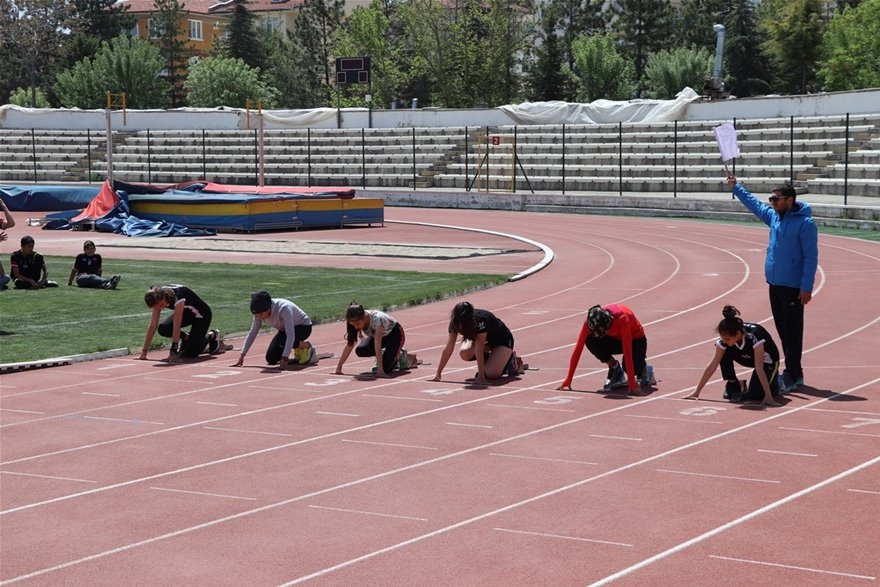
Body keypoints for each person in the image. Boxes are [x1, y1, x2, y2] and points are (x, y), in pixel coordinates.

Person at [727, 174, 818, 393]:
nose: (772, 202)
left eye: (776, 199)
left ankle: (795, 374)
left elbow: (811, 256)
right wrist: (736, 187)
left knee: (793, 332)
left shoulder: (805, 224)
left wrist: (806, 286)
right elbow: (755, 205)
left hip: (793, 287)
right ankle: (790, 371)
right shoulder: (775, 217)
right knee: (782, 330)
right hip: (775, 284)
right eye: (772, 199)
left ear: (790, 199)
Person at [686, 305, 781, 406]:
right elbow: (713, 364)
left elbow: (759, 367)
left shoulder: (755, 337)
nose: (724, 341)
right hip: (745, 357)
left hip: (767, 361)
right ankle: (734, 383)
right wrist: (697, 391)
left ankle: (777, 380)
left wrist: (768, 396)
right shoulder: (724, 341)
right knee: (723, 351)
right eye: (722, 338)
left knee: (756, 395)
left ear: (738, 334)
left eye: (727, 339)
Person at [557, 303, 653, 395]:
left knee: (631, 367)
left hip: (635, 340)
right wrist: (568, 379)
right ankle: (615, 368)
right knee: (590, 340)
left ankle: (644, 370)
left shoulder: (623, 319)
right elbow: (578, 350)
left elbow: (627, 353)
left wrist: (632, 383)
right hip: (614, 339)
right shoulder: (590, 322)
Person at [430, 301, 526, 384]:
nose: (460, 327)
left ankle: (511, 362)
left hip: (501, 341)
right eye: (458, 322)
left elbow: (479, 348)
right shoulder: (454, 323)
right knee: (464, 353)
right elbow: (448, 348)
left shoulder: (480, 321)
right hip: (485, 344)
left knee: (492, 374)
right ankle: (495, 360)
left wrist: (481, 376)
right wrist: (438, 373)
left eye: (463, 323)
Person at [233, 290, 317, 369]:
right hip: (284, 330)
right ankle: (298, 348)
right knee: (271, 359)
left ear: (269, 307)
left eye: (262, 314)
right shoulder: (258, 315)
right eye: (257, 315)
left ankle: (307, 347)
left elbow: (290, 335)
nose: (260, 317)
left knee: (283, 339)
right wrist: (242, 355)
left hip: (304, 327)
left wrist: (285, 358)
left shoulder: (284, 309)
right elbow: (253, 333)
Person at [137, 285, 223, 361]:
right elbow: (153, 325)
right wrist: (144, 351)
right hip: (187, 313)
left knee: (191, 353)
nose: (161, 308)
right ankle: (188, 338)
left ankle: (212, 335)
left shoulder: (178, 297)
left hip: (201, 315)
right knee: (163, 329)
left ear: (163, 298)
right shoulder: (157, 296)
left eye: (161, 305)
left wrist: (173, 352)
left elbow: (176, 326)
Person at [334, 302, 416, 378]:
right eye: (353, 325)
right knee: (361, 350)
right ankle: (393, 354)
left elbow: (377, 345)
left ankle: (403, 355)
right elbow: (350, 344)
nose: (355, 327)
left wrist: (380, 370)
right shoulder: (354, 320)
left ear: (364, 318)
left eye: (357, 324)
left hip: (395, 335)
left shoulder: (377, 320)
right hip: (376, 336)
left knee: (386, 369)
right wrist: (339, 366)